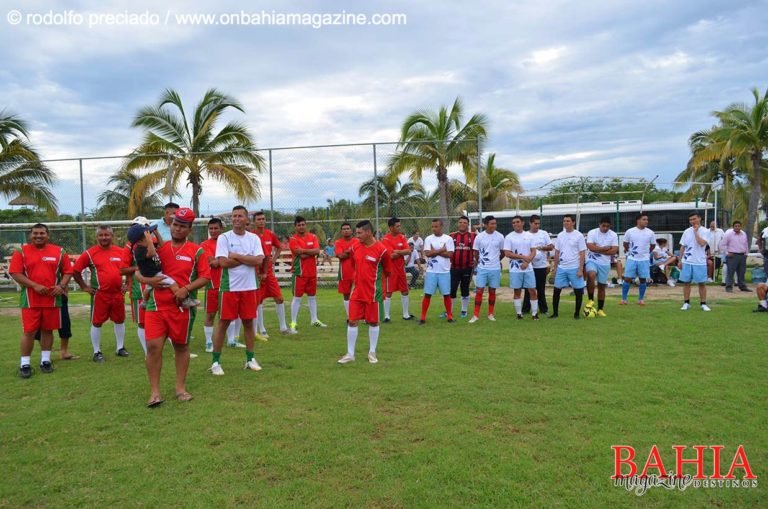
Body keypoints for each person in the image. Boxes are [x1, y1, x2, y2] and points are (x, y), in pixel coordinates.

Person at [138, 207, 210, 407]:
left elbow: (206, 276)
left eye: (183, 226)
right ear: (170, 224)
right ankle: (154, 392)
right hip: (156, 306)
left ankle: (180, 388)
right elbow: (138, 272)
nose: (177, 229)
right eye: (175, 224)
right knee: (153, 347)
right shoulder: (158, 249)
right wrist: (148, 282)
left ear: (189, 229)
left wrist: (185, 289)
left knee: (181, 346)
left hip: (182, 309)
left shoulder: (197, 251)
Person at [9, 224, 73, 378]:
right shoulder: (21, 251)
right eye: (35, 233)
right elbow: (15, 273)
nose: (38, 236)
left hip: (52, 299)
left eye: (42, 233)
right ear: (30, 235)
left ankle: (45, 361)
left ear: (48, 235)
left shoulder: (59, 251)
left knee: (47, 330)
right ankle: (25, 364)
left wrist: (61, 285)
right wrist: (34, 285)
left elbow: (68, 271)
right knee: (29, 332)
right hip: (30, 300)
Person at [209, 205, 265, 376]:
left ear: (247, 219)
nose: (237, 219)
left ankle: (250, 359)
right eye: (234, 216)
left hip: (249, 287)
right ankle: (215, 362)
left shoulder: (254, 238)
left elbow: (259, 261)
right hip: (230, 287)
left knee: (249, 323)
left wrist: (236, 256)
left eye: (240, 216)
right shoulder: (224, 238)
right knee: (223, 323)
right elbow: (223, 263)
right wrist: (248, 258)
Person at [337, 220, 393, 364]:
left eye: (359, 233)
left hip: (373, 293)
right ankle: (350, 354)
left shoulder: (382, 250)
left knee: (373, 323)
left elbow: (388, 271)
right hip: (357, 292)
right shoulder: (355, 246)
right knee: (352, 321)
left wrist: (384, 290)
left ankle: (372, 352)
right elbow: (355, 264)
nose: (357, 235)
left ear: (368, 232)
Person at [72, 225, 129, 362]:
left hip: (117, 294)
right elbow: (76, 270)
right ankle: (96, 351)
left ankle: (120, 348)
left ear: (112, 236)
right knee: (97, 322)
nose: (104, 237)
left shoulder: (121, 252)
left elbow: (130, 269)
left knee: (120, 320)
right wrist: (84, 287)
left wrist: (127, 283)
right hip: (100, 294)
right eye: (101, 235)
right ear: (97, 237)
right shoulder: (90, 253)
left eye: (107, 235)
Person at [251, 211, 290, 336]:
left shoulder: (270, 234)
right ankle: (261, 329)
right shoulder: (251, 236)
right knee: (258, 301)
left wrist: (273, 260)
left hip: (269, 273)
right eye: (258, 219)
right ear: (254, 221)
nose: (261, 221)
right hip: (256, 272)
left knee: (279, 298)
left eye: (263, 219)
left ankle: (283, 327)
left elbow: (279, 246)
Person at [289, 216, 326, 331]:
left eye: (303, 224)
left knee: (312, 297)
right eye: (299, 225)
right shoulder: (293, 239)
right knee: (297, 298)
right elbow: (299, 253)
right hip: (299, 273)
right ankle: (293, 323)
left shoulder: (313, 236)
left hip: (312, 273)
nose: (301, 227)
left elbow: (316, 251)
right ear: (295, 226)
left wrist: (304, 251)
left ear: (306, 225)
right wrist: (310, 253)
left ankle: (314, 320)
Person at [469, 215, 504, 323]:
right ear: (486, 225)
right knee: (479, 291)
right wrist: (480, 261)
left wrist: (496, 260)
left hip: (495, 268)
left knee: (492, 291)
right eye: (492, 223)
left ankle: (490, 314)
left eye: (495, 223)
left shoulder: (500, 236)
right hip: (482, 268)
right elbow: (476, 252)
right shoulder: (479, 237)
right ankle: (475, 315)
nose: (494, 225)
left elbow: (503, 252)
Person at [419, 219, 455, 324]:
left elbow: (449, 254)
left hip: (444, 271)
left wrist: (434, 251)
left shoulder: (448, 239)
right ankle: (422, 317)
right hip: (431, 271)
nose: (434, 228)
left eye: (436, 226)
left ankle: (449, 316)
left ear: (441, 227)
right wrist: (442, 250)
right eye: (433, 227)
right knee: (427, 294)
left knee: (446, 294)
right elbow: (427, 254)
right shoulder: (428, 239)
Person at [551, 214, 587, 319]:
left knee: (578, 291)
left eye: (568, 221)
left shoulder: (579, 236)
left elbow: (582, 253)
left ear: (573, 222)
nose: (565, 223)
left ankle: (576, 314)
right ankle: (555, 313)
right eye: (564, 221)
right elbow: (557, 252)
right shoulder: (560, 235)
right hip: (562, 267)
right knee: (556, 290)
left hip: (574, 267)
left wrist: (580, 269)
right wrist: (556, 267)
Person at [504, 215, 539, 320]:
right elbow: (507, 253)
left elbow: (533, 251)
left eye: (517, 222)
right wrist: (523, 257)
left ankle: (534, 314)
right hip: (515, 269)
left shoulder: (529, 236)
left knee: (532, 290)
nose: (515, 224)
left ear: (523, 223)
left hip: (528, 268)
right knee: (517, 291)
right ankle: (519, 314)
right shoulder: (509, 237)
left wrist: (527, 262)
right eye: (513, 222)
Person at [381, 217, 414, 322]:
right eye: (397, 226)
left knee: (405, 291)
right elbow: (391, 256)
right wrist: (401, 251)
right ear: (391, 227)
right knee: (388, 292)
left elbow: (409, 251)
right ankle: (386, 316)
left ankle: (406, 315)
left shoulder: (402, 237)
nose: (399, 227)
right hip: (390, 270)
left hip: (401, 269)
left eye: (400, 225)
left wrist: (398, 252)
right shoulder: (385, 239)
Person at [585, 216, 619, 317]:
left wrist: (597, 248)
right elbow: (590, 247)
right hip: (592, 260)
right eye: (603, 226)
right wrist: (605, 248)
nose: (605, 228)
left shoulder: (613, 235)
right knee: (591, 275)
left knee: (601, 286)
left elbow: (614, 251)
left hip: (605, 263)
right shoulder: (592, 232)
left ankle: (600, 309)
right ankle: (590, 300)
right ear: (599, 224)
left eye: (607, 226)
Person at [678, 211, 711, 311]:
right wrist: (680, 260)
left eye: (694, 219)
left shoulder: (706, 231)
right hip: (687, 261)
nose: (692, 221)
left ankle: (703, 303)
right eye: (691, 220)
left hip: (699, 261)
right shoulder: (686, 231)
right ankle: (686, 303)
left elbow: (702, 243)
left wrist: (696, 232)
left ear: (699, 218)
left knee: (701, 283)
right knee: (686, 282)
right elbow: (682, 246)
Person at [621, 213, 656, 305]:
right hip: (632, 258)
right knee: (627, 278)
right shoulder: (630, 231)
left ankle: (640, 299)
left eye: (647, 219)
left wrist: (646, 252)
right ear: (638, 220)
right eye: (644, 219)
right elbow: (625, 243)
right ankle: (624, 299)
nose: (646, 221)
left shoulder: (650, 233)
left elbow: (653, 245)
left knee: (643, 279)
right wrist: (629, 251)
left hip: (644, 259)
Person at [200, 218, 224, 352]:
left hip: (228, 283)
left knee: (228, 314)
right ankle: (209, 342)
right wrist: (226, 260)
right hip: (212, 284)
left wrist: (221, 260)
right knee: (210, 314)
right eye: (211, 229)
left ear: (221, 229)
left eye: (216, 228)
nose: (213, 231)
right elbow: (212, 262)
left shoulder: (228, 242)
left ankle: (232, 339)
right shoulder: (204, 244)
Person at [523, 214, 553, 315]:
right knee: (529, 289)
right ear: (530, 223)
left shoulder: (543, 234)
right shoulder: (525, 235)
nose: (537, 225)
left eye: (538, 224)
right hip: (530, 266)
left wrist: (540, 248)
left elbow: (551, 246)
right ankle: (525, 309)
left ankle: (543, 309)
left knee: (541, 289)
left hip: (541, 266)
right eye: (535, 223)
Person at [448, 215, 476, 318]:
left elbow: (478, 250)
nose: (462, 224)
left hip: (467, 267)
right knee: (452, 289)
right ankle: (449, 311)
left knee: (465, 289)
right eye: (460, 222)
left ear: (468, 224)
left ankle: (464, 310)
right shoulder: (451, 236)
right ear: (458, 224)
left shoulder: (473, 236)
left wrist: (476, 261)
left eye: (464, 222)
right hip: (454, 267)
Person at [334, 222, 359, 319]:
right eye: (344, 229)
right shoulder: (338, 242)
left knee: (361, 293)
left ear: (351, 230)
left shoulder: (357, 241)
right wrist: (351, 251)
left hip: (358, 271)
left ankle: (364, 317)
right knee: (346, 295)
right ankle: (350, 317)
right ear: (341, 231)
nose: (346, 230)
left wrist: (347, 251)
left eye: (348, 228)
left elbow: (359, 253)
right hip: (344, 272)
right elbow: (341, 256)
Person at [720, 220, 750, 293]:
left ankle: (742, 286)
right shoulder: (729, 234)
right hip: (732, 255)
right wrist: (727, 253)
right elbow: (722, 245)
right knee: (730, 272)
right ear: (733, 227)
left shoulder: (744, 234)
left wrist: (746, 254)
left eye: (739, 226)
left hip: (742, 255)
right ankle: (729, 287)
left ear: (741, 227)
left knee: (742, 272)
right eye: (735, 226)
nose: (737, 227)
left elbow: (745, 244)